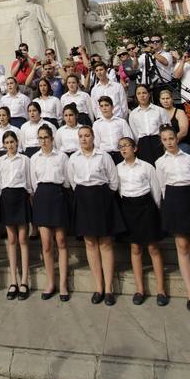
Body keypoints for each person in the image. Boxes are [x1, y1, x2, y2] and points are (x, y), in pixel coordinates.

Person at [155, 125, 190, 313]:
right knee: (182, 245)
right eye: (165, 139)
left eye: (171, 138)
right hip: (173, 199)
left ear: (176, 138)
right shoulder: (160, 162)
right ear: (161, 142)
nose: (169, 142)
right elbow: (162, 187)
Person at [69, 126, 125, 306]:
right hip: (83, 198)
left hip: (102, 197)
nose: (84, 139)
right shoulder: (73, 158)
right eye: (81, 136)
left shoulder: (104, 156)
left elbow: (113, 181)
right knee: (90, 242)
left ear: (93, 137)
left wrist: (105, 196)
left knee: (105, 242)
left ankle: (109, 288)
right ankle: (98, 286)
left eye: (87, 136)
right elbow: (72, 181)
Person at [117, 137, 167, 306]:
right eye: (121, 147)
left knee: (153, 247)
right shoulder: (118, 169)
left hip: (146, 206)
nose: (124, 149)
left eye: (126, 146)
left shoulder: (146, 167)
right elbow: (117, 190)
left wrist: (155, 208)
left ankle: (161, 289)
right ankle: (140, 289)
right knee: (135, 247)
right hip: (128, 207)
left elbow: (156, 190)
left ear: (135, 148)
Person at [30, 126, 72, 301]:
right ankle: (50, 282)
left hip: (57, 195)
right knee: (46, 244)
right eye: (40, 138)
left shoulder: (62, 156)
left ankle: (63, 284)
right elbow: (33, 183)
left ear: (52, 138)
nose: (43, 141)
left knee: (61, 241)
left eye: (46, 137)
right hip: (42, 196)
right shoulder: (34, 158)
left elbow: (68, 180)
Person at [0, 131, 32, 301]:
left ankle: (24, 280)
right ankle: (13, 280)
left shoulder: (25, 160)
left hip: (21, 196)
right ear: (3, 144)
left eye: (12, 142)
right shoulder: (0, 161)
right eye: (7, 142)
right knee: (11, 240)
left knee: (23, 239)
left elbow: (30, 183)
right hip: (7, 198)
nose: (10, 145)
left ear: (17, 143)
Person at [129, 83, 170, 166]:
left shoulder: (159, 110)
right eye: (139, 93)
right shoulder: (133, 114)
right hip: (143, 144)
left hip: (158, 142)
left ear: (149, 94)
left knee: (161, 167)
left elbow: (168, 128)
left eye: (144, 93)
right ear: (136, 96)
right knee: (147, 169)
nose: (142, 96)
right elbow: (135, 133)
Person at [159, 86, 190, 155]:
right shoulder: (158, 113)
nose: (165, 101)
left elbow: (183, 132)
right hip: (165, 144)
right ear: (160, 100)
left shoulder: (180, 112)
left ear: (172, 99)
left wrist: (171, 142)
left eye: (167, 98)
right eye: (163, 99)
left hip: (182, 143)